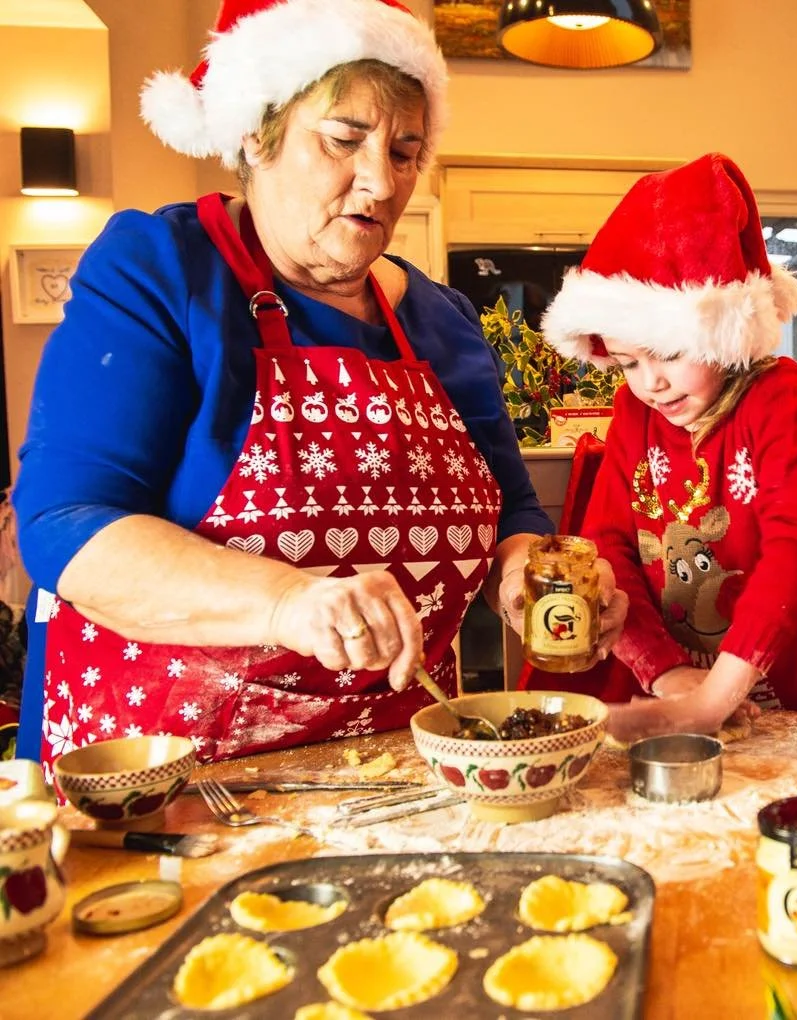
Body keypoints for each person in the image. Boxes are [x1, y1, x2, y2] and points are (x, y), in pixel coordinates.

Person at [12, 0, 626, 770]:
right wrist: (285, 602)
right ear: (255, 135)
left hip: (390, 769)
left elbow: (512, 512)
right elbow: (66, 525)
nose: (380, 180)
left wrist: (535, 579)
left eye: (405, 152)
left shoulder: (442, 321)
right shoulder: (163, 270)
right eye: (345, 139)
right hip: (177, 773)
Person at [536, 153, 797, 741]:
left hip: (792, 697)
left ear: (723, 334)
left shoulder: (780, 396)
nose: (650, 382)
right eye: (628, 362)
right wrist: (666, 673)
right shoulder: (634, 411)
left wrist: (716, 697)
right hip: (678, 691)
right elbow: (608, 545)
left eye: (670, 353)